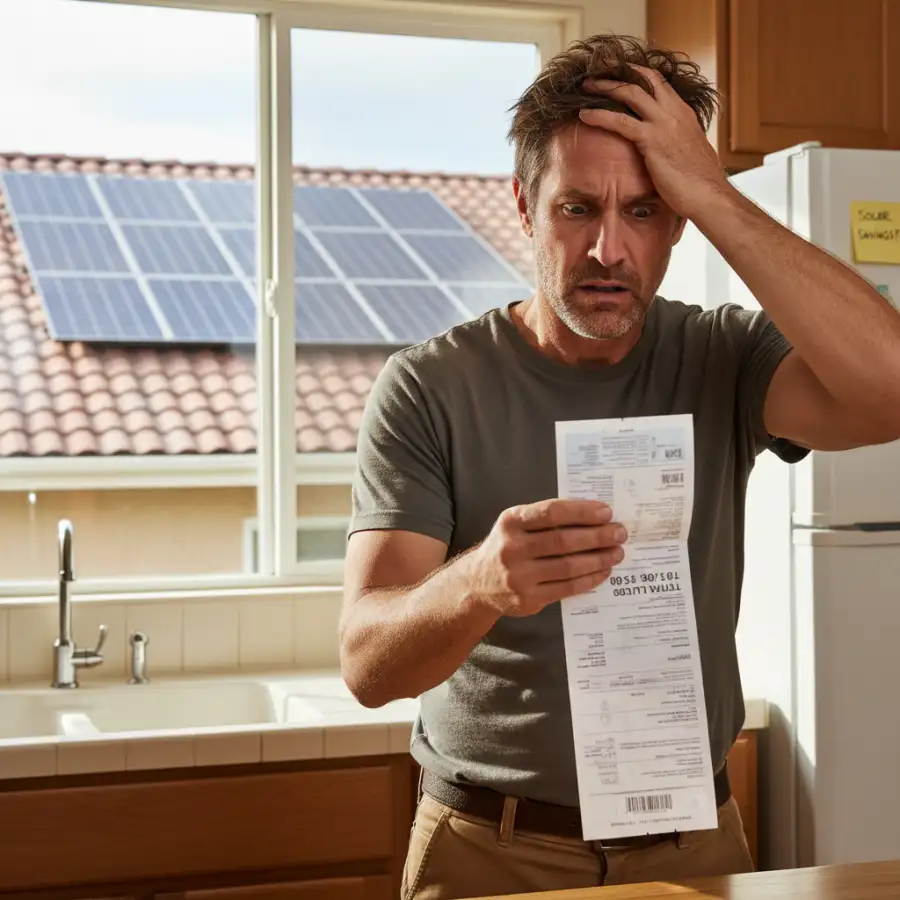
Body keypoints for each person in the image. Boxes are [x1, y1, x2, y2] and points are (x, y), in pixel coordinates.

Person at [339, 34, 900, 900]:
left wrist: (715, 192)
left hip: (694, 844)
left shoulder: (722, 355)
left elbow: (891, 392)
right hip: (490, 849)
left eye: (643, 211)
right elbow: (368, 665)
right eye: (577, 209)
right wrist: (481, 581)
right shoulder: (431, 385)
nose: (608, 250)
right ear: (525, 207)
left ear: (677, 220)